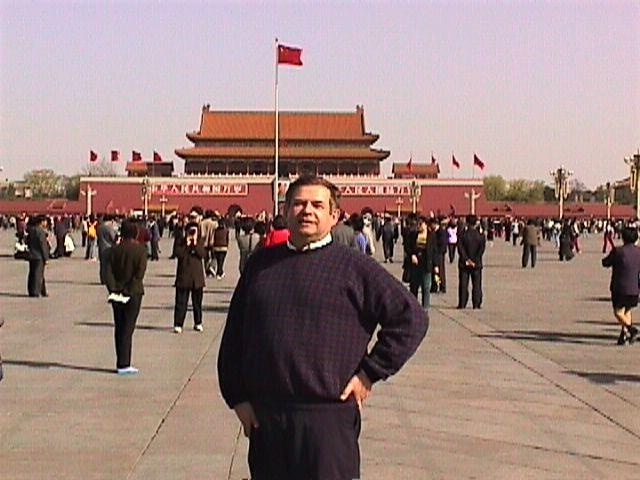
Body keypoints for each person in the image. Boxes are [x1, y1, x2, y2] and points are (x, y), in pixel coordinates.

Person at [217, 175, 427, 480]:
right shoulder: (261, 265)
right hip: (268, 419)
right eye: (299, 204)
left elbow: (411, 317)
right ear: (286, 210)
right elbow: (234, 335)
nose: (307, 211)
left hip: (327, 418)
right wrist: (236, 397)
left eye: (317, 205)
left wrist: (370, 372)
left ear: (334, 215)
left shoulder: (355, 267)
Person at [105, 220, 147, 375]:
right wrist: (128, 291)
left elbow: (107, 273)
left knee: (119, 327)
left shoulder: (112, 251)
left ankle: (120, 361)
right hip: (133, 294)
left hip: (116, 294)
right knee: (128, 328)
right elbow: (139, 274)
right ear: (135, 233)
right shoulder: (141, 251)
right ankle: (124, 364)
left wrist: (115, 289)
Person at [602, 227, 640, 345]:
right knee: (627, 310)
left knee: (618, 312)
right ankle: (623, 335)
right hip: (634, 288)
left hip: (620, 288)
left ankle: (631, 329)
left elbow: (605, 262)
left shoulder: (618, 251)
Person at [173, 221, 206, 333]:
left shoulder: (200, 241)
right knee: (181, 302)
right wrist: (186, 244)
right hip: (184, 277)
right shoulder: (180, 242)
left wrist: (195, 243)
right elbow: (178, 254)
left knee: (197, 303)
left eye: (194, 231)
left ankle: (198, 322)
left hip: (197, 278)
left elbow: (202, 254)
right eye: (190, 231)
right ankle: (178, 323)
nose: (192, 233)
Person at [457, 215, 486, 309]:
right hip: (476, 264)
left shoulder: (462, 235)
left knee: (463, 284)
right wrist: (474, 261)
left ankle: (462, 303)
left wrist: (466, 260)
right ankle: (476, 303)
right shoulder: (481, 236)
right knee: (477, 284)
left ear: (467, 222)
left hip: (464, 264)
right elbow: (481, 250)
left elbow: (460, 248)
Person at [26, 215, 50, 298]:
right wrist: (46, 257)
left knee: (33, 273)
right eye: (45, 221)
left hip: (32, 254)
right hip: (39, 256)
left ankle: (39, 290)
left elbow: (27, 241)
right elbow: (43, 245)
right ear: (42, 222)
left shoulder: (31, 230)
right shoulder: (40, 232)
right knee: (38, 274)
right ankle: (36, 292)